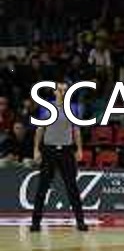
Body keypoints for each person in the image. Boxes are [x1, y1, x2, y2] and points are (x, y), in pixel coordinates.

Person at [30, 82, 88, 232]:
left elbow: (76, 130)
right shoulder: (46, 107)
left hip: (66, 151)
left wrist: (79, 149)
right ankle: (35, 222)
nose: (63, 93)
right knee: (42, 187)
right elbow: (40, 129)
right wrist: (36, 149)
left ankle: (80, 221)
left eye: (65, 90)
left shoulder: (73, 108)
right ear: (55, 92)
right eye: (60, 90)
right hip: (49, 150)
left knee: (72, 187)